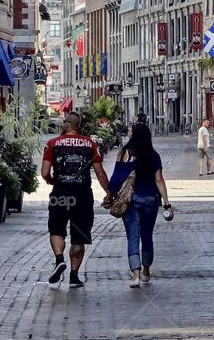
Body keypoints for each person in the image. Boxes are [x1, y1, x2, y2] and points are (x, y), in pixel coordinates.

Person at [41, 112, 110, 289]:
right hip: (82, 197)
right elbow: (100, 173)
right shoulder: (90, 144)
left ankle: (59, 259)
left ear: (67, 124)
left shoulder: (53, 144)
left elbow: (44, 172)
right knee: (78, 237)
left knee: (56, 228)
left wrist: (51, 181)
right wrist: (109, 192)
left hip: (60, 194)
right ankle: (73, 276)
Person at [112, 124, 172, 288]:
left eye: (131, 131)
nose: (129, 133)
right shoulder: (153, 156)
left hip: (130, 200)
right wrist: (166, 202)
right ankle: (146, 270)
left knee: (132, 236)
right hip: (150, 201)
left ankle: (135, 274)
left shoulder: (126, 153)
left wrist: (110, 194)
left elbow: (117, 176)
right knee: (147, 235)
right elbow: (159, 179)